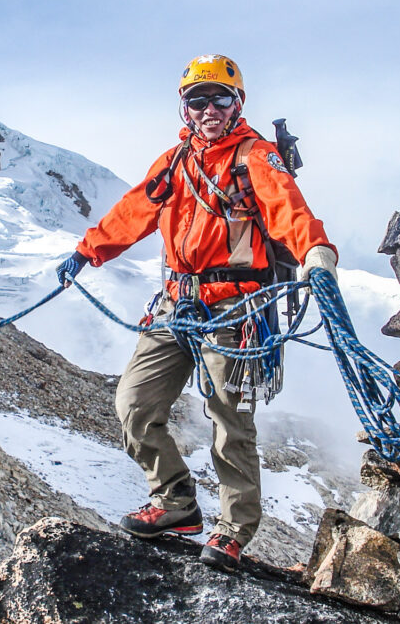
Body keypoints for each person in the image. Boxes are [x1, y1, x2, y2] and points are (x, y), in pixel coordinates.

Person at [55, 54, 338, 571]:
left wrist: (316, 254)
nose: (208, 109)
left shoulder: (255, 157)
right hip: (176, 302)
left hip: (236, 307)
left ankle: (234, 528)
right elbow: (134, 211)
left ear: (237, 104)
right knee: (134, 404)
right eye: (197, 100)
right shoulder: (175, 161)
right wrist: (87, 250)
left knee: (231, 419)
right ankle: (175, 502)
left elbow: (288, 210)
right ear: (184, 108)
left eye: (219, 99)